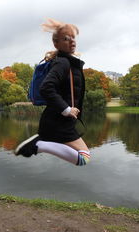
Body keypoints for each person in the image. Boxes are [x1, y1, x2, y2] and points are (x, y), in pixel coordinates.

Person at [14, 18, 90, 166]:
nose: (72, 41)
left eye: (73, 37)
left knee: (84, 157)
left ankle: (38, 144)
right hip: (58, 120)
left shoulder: (67, 62)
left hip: (60, 120)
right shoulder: (63, 62)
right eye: (66, 39)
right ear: (56, 44)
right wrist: (66, 109)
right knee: (83, 158)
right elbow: (46, 87)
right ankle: (38, 145)